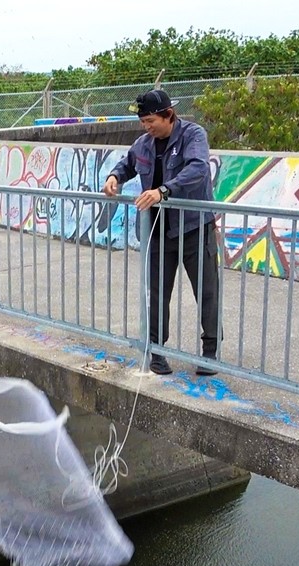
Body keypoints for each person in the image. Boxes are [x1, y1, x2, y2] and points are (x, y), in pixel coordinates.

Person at [102, 89, 222, 376]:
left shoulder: (193, 136)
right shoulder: (143, 144)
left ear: (169, 115)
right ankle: (156, 351)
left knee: (207, 292)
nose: (146, 127)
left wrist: (163, 191)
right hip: (156, 230)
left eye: (151, 121)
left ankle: (210, 352)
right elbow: (128, 164)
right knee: (156, 293)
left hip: (194, 227)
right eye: (143, 122)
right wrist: (114, 177)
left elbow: (198, 170)